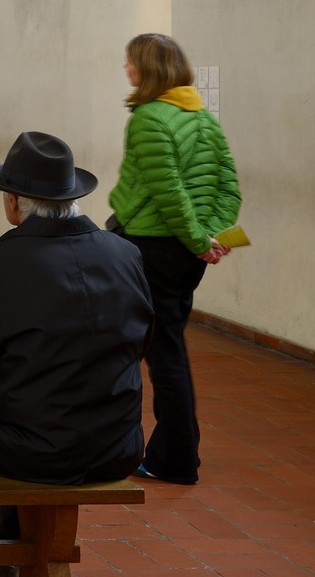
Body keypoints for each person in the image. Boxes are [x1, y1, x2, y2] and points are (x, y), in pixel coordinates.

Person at [0, 131, 153, 558]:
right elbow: (141, 343)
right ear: (71, 197)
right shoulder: (125, 255)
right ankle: (9, 545)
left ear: (13, 201)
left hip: (27, 453)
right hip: (117, 445)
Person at [108, 34, 240, 485]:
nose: (126, 69)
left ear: (148, 69)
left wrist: (199, 239)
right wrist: (210, 237)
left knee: (163, 355)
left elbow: (168, 191)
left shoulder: (148, 118)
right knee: (170, 347)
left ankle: (176, 459)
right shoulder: (202, 117)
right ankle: (174, 448)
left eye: (130, 62)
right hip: (187, 253)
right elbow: (228, 186)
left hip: (154, 246)